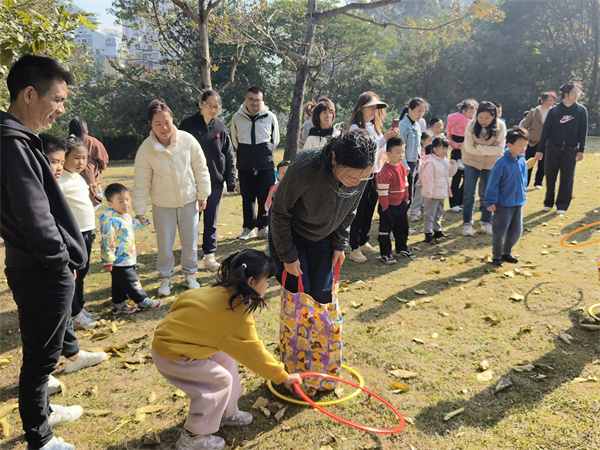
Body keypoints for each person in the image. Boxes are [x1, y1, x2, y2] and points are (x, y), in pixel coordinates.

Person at [1, 54, 88, 450]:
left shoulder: (15, 140)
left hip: (32, 266)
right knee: (41, 358)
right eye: (57, 99)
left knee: (40, 350)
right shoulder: (12, 144)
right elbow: (34, 216)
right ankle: (41, 436)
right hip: (41, 269)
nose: (61, 110)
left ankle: (44, 412)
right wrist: (61, 264)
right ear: (28, 94)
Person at [152, 249, 302, 450]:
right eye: (267, 281)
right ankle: (194, 436)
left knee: (225, 359)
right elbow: (255, 353)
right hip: (173, 354)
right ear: (251, 281)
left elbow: (182, 302)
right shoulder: (236, 317)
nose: (268, 285)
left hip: (178, 342)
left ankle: (227, 413)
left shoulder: (218, 291)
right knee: (218, 382)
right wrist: (282, 376)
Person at [269, 129, 378, 303]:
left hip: (324, 235)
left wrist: (339, 243)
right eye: (350, 177)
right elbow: (280, 213)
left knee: (323, 294)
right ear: (334, 158)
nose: (356, 183)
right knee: (299, 294)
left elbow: (350, 210)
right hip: (292, 233)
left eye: (364, 177)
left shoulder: (360, 173)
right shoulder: (304, 167)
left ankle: (321, 323)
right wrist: (288, 256)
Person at [40, 134, 107, 389]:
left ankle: (73, 344)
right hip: (63, 243)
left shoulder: (74, 178)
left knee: (78, 279)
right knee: (65, 290)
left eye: (84, 159)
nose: (58, 167)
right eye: (54, 161)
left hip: (79, 238)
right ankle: (74, 319)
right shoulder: (53, 184)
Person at [132, 98, 211, 297]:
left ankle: (190, 274)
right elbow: (141, 181)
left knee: (190, 242)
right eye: (158, 123)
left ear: (172, 120)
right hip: (162, 204)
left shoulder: (187, 140)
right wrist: (139, 210)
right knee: (165, 246)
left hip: (189, 201)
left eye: (167, 122)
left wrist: (203, 194)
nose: (164, 128)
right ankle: (165, 278)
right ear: (151, 124)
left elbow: (201, 168)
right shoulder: (146, 149)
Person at [180, 89, 237, 271]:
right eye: (209, 105)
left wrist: (231, 179)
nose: (213, 110)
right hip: (192, 183)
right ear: (200, 104)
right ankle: (189, 256)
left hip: (216, 182)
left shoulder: (220, 127)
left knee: (211, 221)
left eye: (216, 107)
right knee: (191, 221)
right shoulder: (187, 125)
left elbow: (228, 154)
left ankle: (209, 256)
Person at [347, 91, 399, 263]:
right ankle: (354, 247)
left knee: (369, 209)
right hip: (361, 175)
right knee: (359, 211)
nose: (374, 111)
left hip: (375, 173)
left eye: (376, 108)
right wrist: (384, 139)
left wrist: (388, 139)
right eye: (371, 107)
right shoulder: (355, 128)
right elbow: (366, 150)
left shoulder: (374, 127)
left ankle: (364, 241)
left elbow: (380, 151)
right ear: (361, 108)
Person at [100, 183, 162, 313]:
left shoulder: (124, 215)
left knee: (119, 283)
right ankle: (142, 300)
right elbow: (107, 241)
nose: (126, 204)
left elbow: (131, 223)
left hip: (129, 257)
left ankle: (118, 303)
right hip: (119, 259)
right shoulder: (110, 220)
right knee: (131, 281)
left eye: (127, 200)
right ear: (110, 204)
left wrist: (142, 222)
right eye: (120, 201)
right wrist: (108, 260)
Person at [58, 136, 99, 330]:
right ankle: (74, 313)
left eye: (84, 158)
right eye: (76, 158)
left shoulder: (78, 177)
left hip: (86, 233)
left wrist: (92, 229)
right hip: (72, 236)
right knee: (73, 274)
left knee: (82, 272)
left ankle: (80, 308)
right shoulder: (60, 180)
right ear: (64, 158)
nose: (81, 162)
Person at [231, 86, 280, 240]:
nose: (254, 103)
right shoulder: (237, 117)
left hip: (265, 164)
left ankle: (263, 227)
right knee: (247, 198)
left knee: (265, 198)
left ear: (262, 101)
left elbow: (275, 140)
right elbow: (235, 140)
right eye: (251, 99)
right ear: (246, 99)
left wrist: (263, 154)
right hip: (245, 165)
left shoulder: (270, 117)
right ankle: (248, 228)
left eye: (257, 100)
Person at [535, 81, 587, 215]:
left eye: (578, 92)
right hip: (552, 147)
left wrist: (581, 150)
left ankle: (562, 204)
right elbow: (545, 132)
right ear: (566, 93)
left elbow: (583, 131)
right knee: (550, 175)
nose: (577, 95)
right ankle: (548, 203)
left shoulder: (581, 110)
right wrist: (540, 150)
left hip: (570, 149)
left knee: (567, 178)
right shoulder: (554, 110)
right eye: (574, 92)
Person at [484, 127, 529, 266]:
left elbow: (524, 180)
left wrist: (522, 194)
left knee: (516, 231)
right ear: (509, 145)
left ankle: (506, 252)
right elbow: (493, 183)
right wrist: (490, 201)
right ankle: (497, 256)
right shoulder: (501, 163)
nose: (523, 149)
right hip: (503, 204)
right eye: (520, 145)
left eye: (525, 145)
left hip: (518, 203)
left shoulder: (522, 161)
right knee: (500, 232)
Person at [461, 101, 506, 236]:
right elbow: (469, 148)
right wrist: (489, 147)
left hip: (490, 163)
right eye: (480, 117)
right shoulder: (471, 126)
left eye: (487, 118)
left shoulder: (501, 126)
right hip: (471, 161)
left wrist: (479, 146)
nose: (483, 121)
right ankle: (467, 224)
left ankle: (486, 222)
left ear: (493, 117)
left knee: (488, 193)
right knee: (469, 193)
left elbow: (499, 150)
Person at [375, 137, 416, 264]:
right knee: (385, 232)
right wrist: (385, 208)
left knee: (402, 229)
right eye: (398, 152)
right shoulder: (385, 172)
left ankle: (401, 248)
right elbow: (383, 193)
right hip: (388, 207)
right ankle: (386, 254)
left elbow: (405, 185)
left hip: (400, 205)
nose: (401, 155)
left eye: (403, 152)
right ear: (388, 154)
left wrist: (405, 200)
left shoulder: (402, 167)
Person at [421, 137, 457, 244]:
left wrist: (453, 165)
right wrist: (429, 194)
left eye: (446, 148)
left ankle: (437, 230)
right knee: (429, 214)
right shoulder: (431, 163)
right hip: (432, 194)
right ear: (435, 149)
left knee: (439, 213)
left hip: (442, 193)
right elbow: (428, 179)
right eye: (442, 148)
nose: (445, 151)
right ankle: (428, 233)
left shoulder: (444, 161)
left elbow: (449, 174)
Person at [68, 116, 109, 208]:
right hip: (91, 175)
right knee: (94, 199)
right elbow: (103, 158)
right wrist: (102, 166)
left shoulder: (69, 141)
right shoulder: (93, 141)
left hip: (72, 173)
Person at [446, 99, 478, 212]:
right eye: (470, 112)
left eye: (473, 113)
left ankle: (458, 201)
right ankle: (455, 202)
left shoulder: (452, 119)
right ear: (464, 111)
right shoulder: (466, 121)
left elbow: (448, 134)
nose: (472, 115)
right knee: (459, 177)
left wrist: (455, 145)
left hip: (459, 149)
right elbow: (472, 134)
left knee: (462, 177)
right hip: (461, 150)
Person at [397, 97, 429, 210]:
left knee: (411, 194)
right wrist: (405, 166)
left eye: (423, 111)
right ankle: (400, 218)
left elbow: (418, 146)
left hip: (415, 163)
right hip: (406, 165)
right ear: (410, 110)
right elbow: (400, 148)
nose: (421, 114)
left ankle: (404, 217)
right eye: (418, 111)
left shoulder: (417, 125)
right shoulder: (403, 125)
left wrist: (419, 161)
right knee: (405, 195)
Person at [522, 91, 557, 188]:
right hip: (532, 141)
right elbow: (525, 126)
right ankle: (525, 182)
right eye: (547, 100)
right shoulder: (534, 112)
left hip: (547, 142)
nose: (549, 102)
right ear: (542, 100)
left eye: (551, 100)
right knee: (529, 162)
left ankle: (538, 182)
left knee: (543, 163)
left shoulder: (554, 112)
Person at [408, 130, 433, 222]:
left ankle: (423, 212)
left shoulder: (429, 151)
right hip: (420, 179)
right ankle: (413, 213)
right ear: (423, 141)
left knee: (425, 198)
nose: (431, 143)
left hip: (426, 179)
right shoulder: (419, 151)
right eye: (429, 140)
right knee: (417, 198)